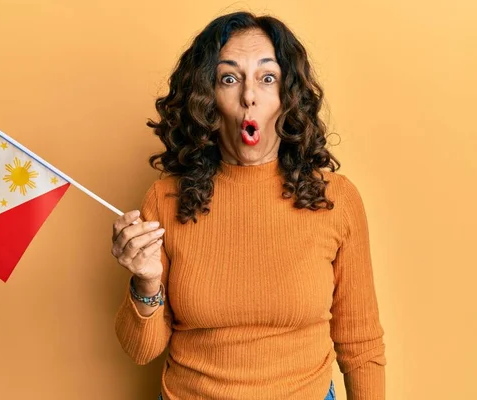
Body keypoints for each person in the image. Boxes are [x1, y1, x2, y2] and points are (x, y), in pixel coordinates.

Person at [111, 11, 386, 400]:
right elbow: (142, 350)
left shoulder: (336, 199)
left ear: (288, 96)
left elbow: (361, 344)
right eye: (229, 78)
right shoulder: (165, 199)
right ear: (207, 99)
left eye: (267, 77)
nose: (249, 95)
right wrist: (146, 282)